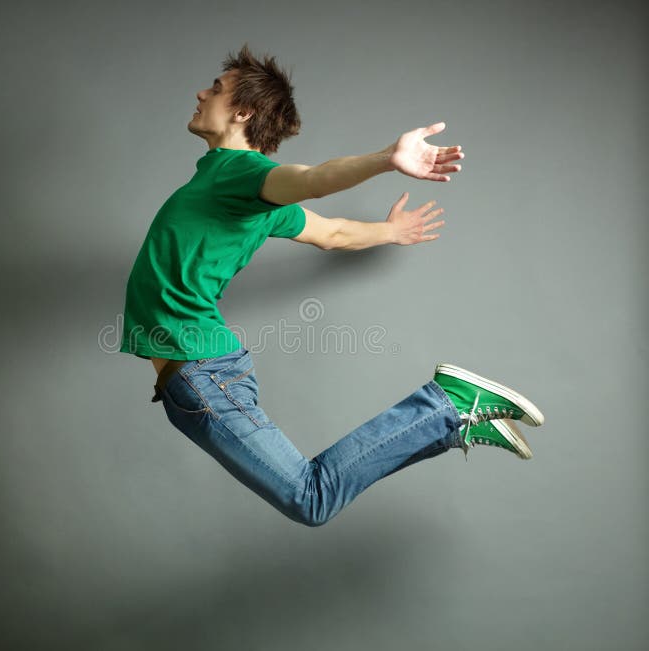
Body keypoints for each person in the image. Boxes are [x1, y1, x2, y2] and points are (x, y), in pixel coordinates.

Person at [119, 45, 544, 527]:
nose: (201, 92)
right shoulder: (240, 192)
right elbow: (332, 233)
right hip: (191, 379)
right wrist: (389, 232)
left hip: (201, 374)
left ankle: (447, 405)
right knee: (311, 495)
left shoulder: (244, 173)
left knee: (311, 498)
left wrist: (388, 158)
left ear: (242, 111)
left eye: (216, 89)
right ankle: (448, 425)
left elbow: (314, 179)